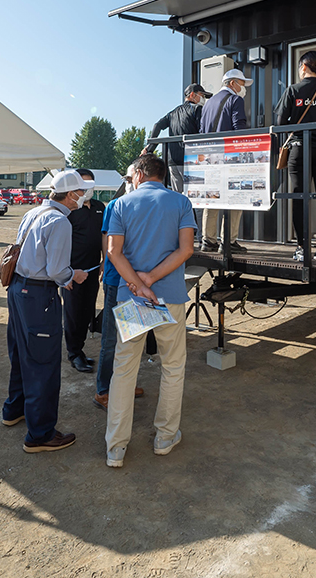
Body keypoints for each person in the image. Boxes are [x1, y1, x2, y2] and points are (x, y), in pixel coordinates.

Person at [103, 153, 195, 468]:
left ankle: (115, 447)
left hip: (133, 298)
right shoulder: (181, 203)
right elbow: (186, 249)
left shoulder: (121, 205)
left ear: (140, 174)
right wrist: (153, 279)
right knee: (172, 367)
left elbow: (113, 251)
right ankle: (165, 437)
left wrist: (138, 285)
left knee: (124, 369)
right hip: (169, 296)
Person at [3, 169, 93, 453]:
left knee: (21, 353)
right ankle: (40, 434)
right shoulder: (60, 222)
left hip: (18, 290)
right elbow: (56, 271)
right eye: (80, 191)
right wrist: (73, 276)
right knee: (43, 363)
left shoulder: (33, 213)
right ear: (70, 195)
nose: (83, 196)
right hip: (39, 296)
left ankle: (14, 409)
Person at [275, 51, 316, 262]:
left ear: (303, 67)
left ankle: (302, 247)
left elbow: (279, 123)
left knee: (299, 197)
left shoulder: (293, 90)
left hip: (299, 149)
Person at [94, 175, 146, 409]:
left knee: (132, 336)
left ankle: (124, 382)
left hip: (138, 281)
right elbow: (107, 239)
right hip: (118, 281)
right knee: (112, 337)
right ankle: (103, 390)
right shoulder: (116, 205)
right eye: (128, 178)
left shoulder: (147, 204)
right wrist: (107, 263)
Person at [198, 68, 253, 253]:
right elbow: (239, 129)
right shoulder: (235, 100)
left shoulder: (207, 103)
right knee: (236, 198)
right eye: (242, 83)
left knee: (211, 199)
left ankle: (208, 240)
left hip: (208, 157)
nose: (243, 88)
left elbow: (201, 131)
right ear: (232, 83)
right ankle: (228, 241)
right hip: (228, 157)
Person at [62, 169, 105, 373]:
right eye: (83, 185)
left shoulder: (99, 206)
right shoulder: (69, 209)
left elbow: (105, 235)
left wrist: (105, 259)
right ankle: (74, 353)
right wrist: (66, 273)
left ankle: (80, 349)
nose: (87, 189)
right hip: (73, 272)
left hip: (93, 270)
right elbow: (60, 242)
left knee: (87, 312)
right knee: (73, 314)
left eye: (90, 185)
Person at [143, 83, 210, 191]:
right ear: (192, 95)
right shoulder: (197, 109)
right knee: (194, 196)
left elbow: (157, 125)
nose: (203, 99)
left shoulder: (172, 113)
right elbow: (202, 131)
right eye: (202, 95)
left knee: (178, 196)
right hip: (191, 159)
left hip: (173, 161)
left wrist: (149, 149)